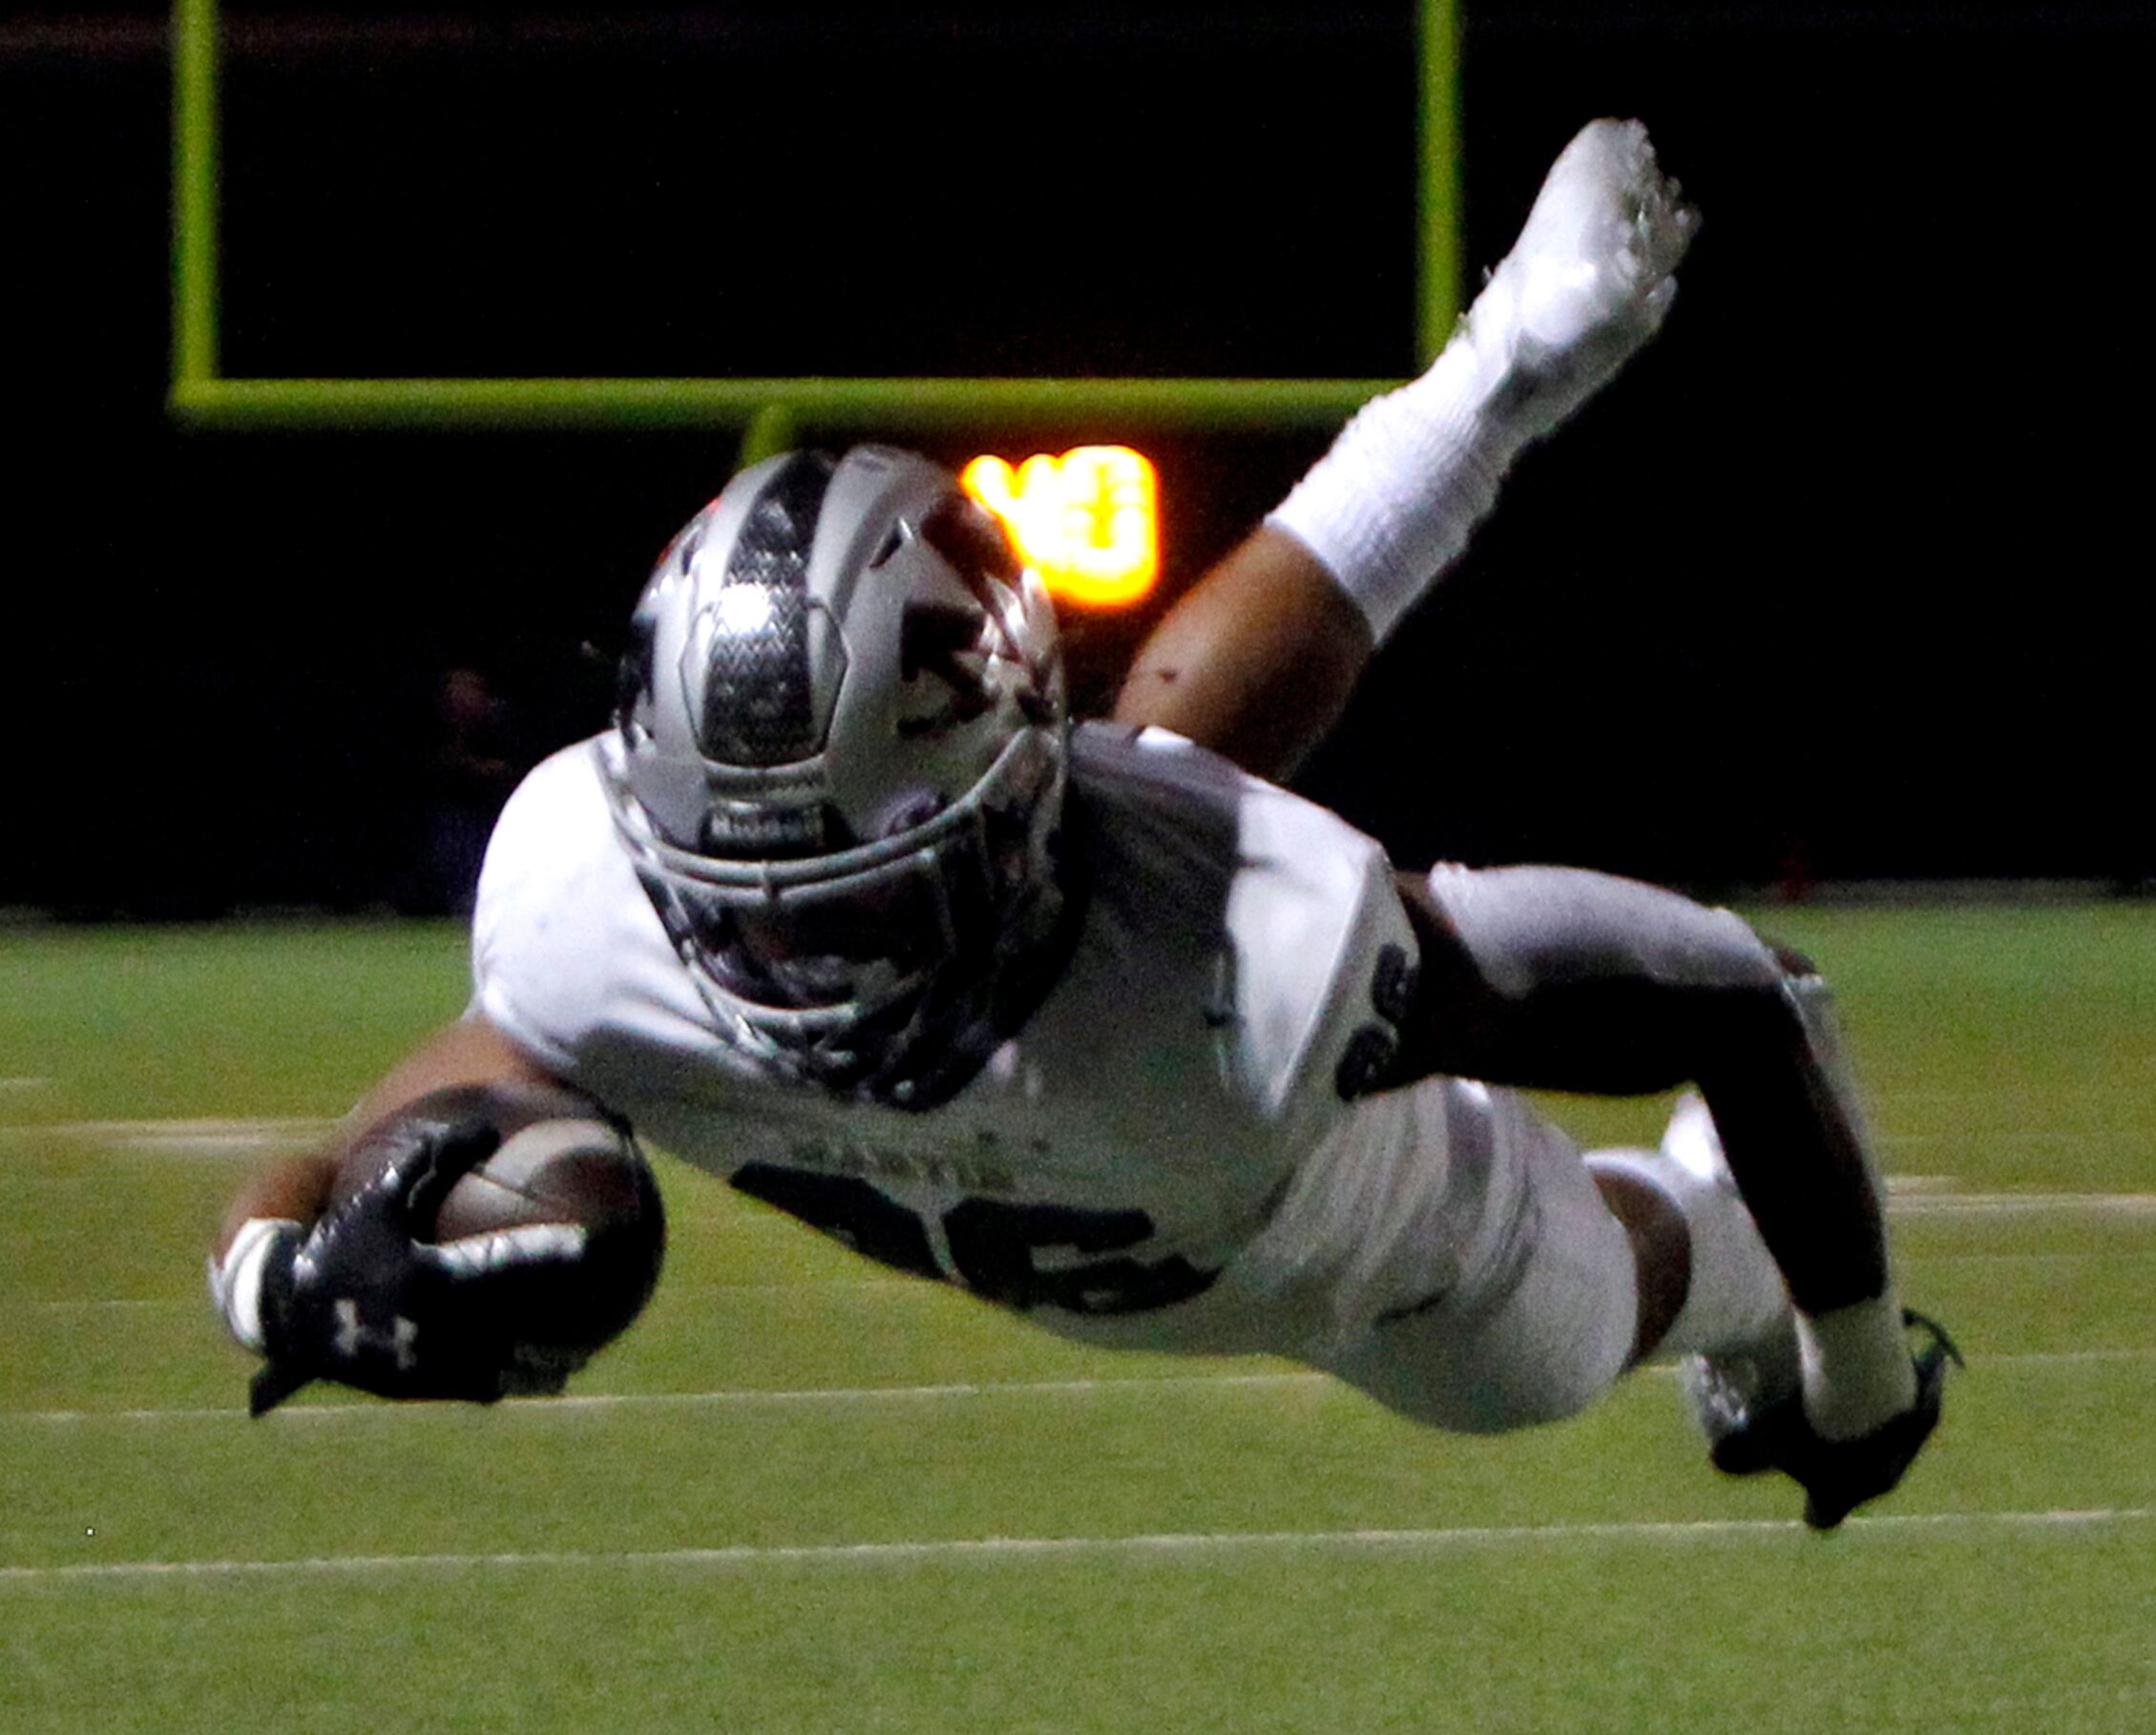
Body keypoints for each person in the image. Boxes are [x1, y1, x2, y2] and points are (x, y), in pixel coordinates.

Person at [209, 120, 1954, 1529]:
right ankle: (1501, 369)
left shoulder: (1272, 963)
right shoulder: (585, 898)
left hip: (1354, 1247)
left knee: (1566, 1334)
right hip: (1144, 1071)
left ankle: (1714, 1239)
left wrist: (1858, 1379)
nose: (801, 961)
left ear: (1020, 814)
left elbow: (1726, 992)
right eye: (743, 904)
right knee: (1163, 792)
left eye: (863, 903)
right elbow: (371, 1132)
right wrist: (288, 1277)